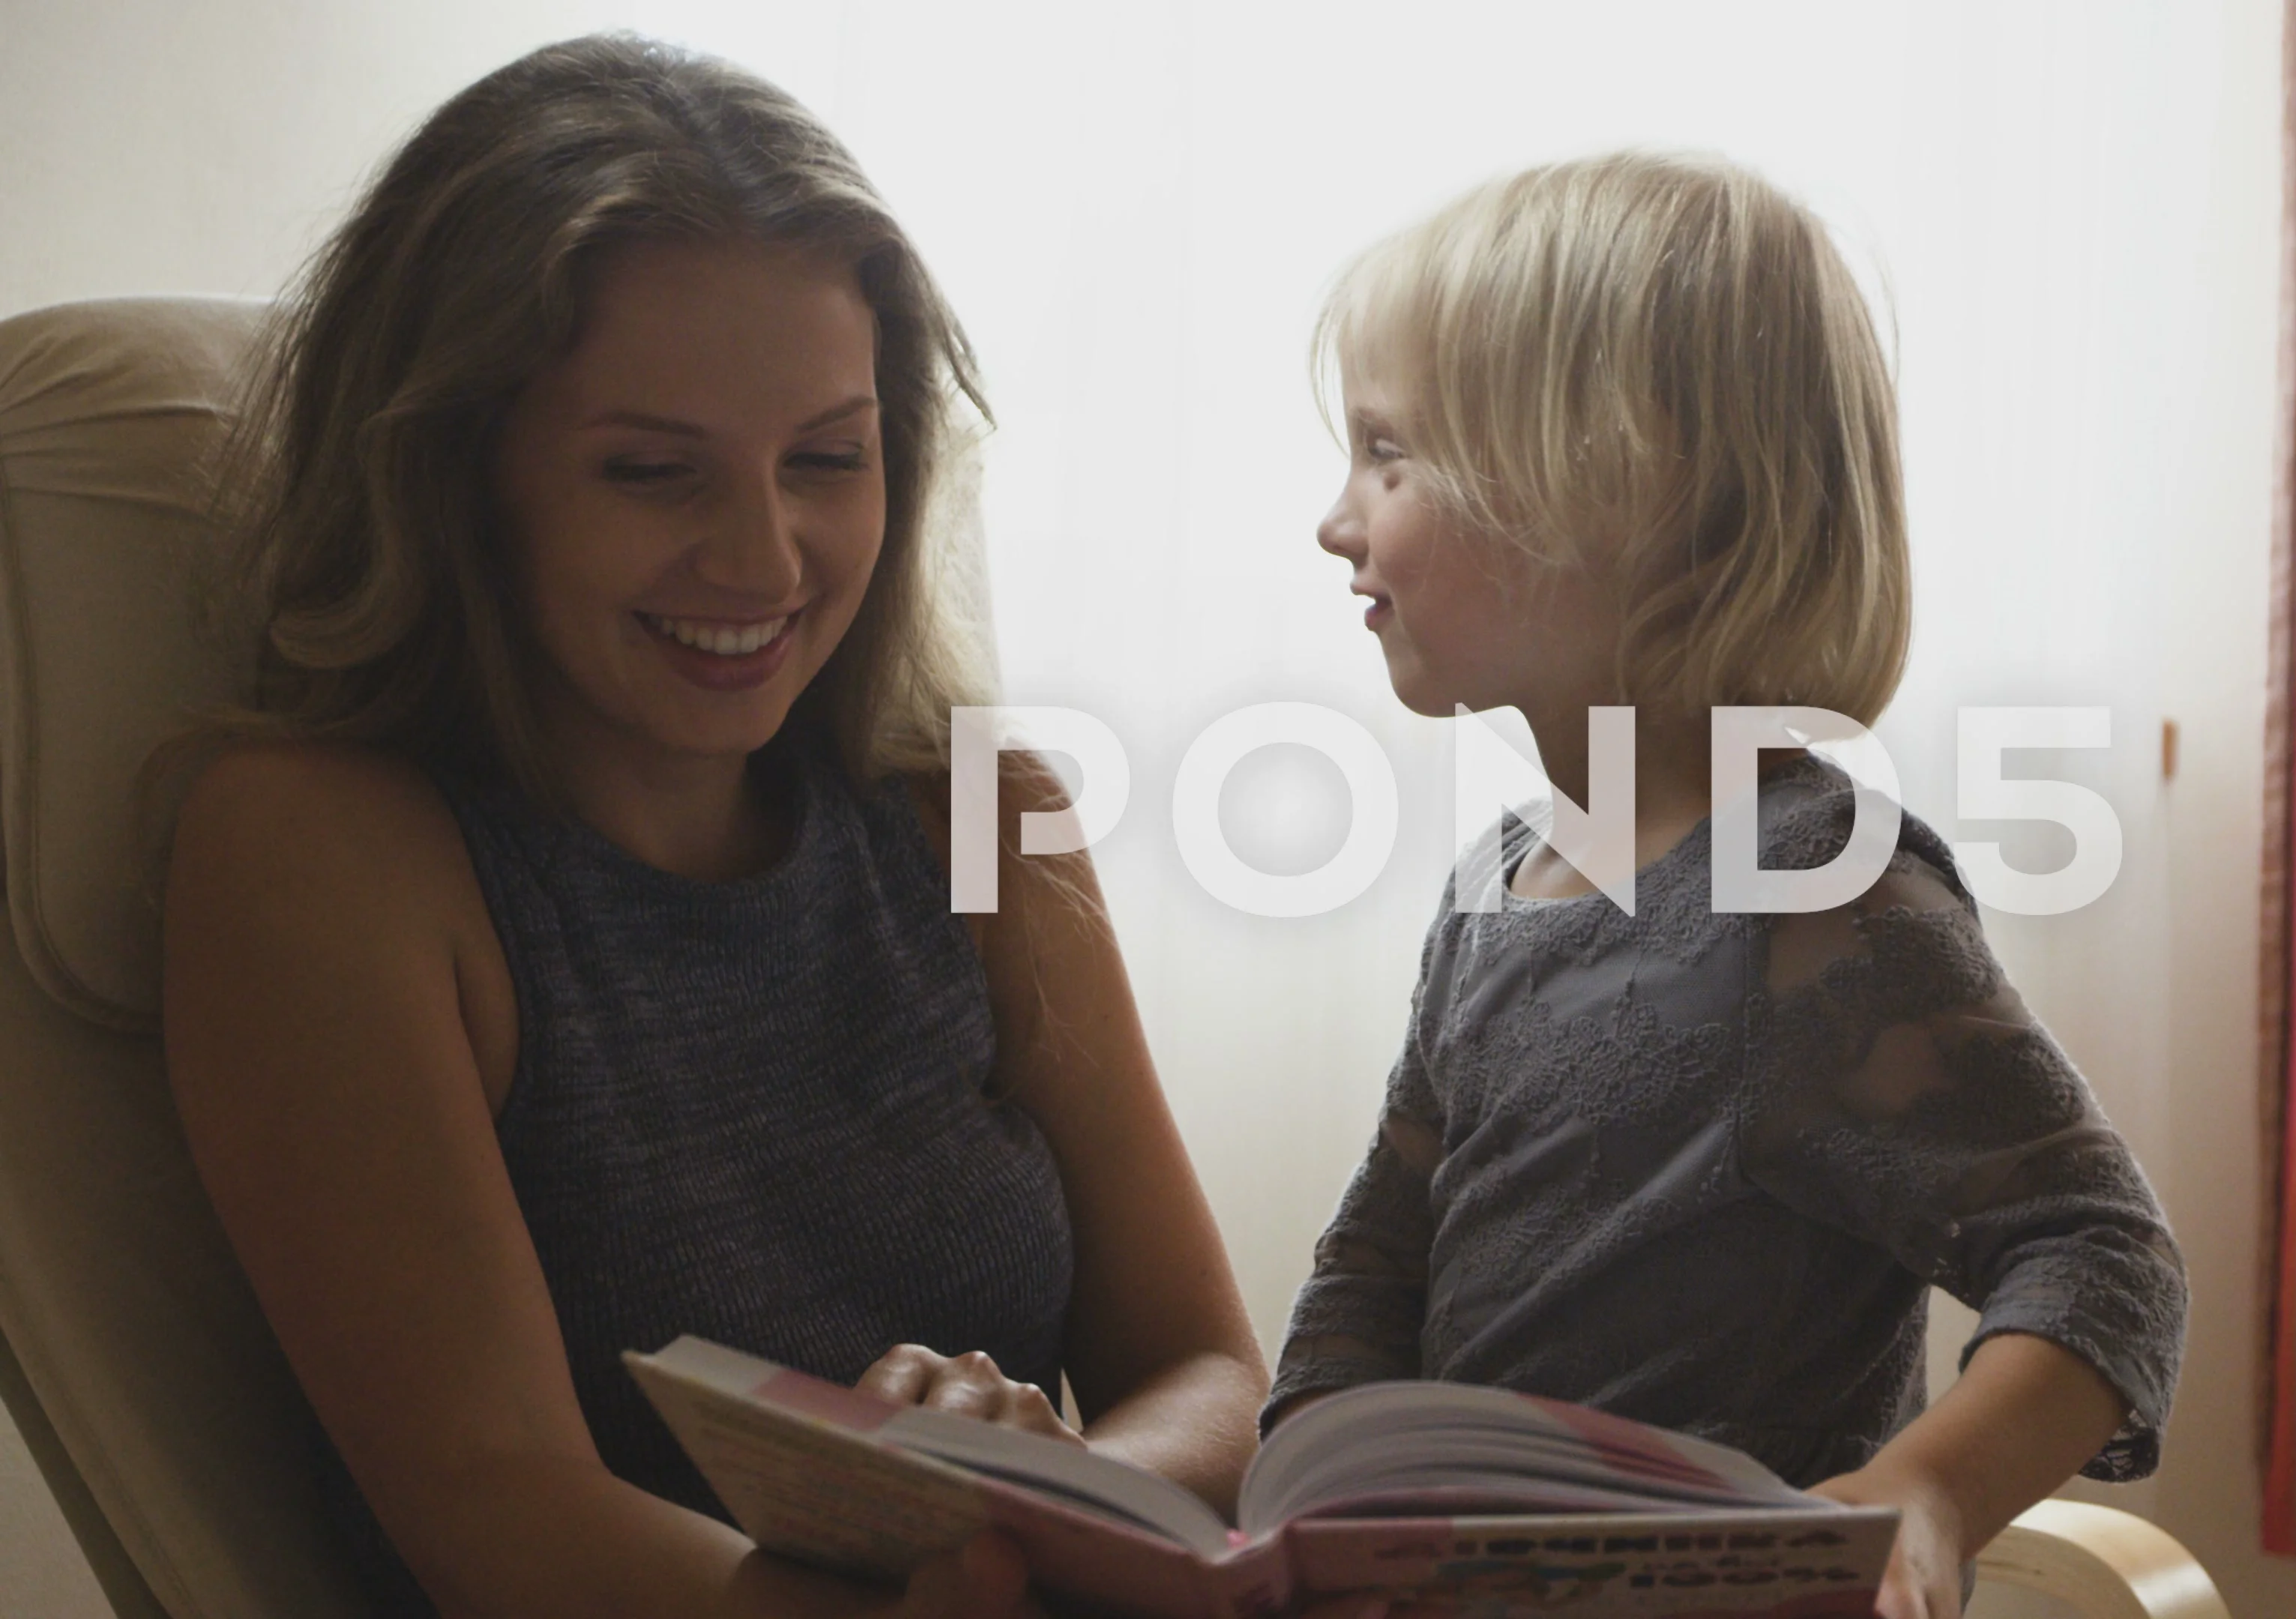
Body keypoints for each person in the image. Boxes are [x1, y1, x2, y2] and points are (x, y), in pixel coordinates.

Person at [158, 34, 1262, 1619]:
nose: (765, 559)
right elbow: (494, 1509)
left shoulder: (982, 813)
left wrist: (1042, 1494)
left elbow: (1208, 1369)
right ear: (460, 480)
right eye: (653, 473)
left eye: (827, 458)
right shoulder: (325, 854)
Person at [1274, 152, 2189, 1619]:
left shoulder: (1804, 898)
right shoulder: (1491, 889)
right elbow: (1375, 1271)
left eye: (1388, 456)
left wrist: (1924, 1495)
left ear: (1610, 483)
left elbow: (2098, 1256)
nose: (1337, 519)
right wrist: (1291, 1515)